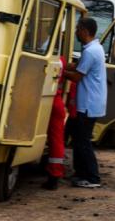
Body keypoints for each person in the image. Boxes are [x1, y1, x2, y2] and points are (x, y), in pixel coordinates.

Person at [63, 17, 107, 188]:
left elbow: (76, 76)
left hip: (88, 104)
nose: (76, 32)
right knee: (78, 138)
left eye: (78, 29)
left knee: (83, 141)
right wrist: (63, 64)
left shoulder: (90, 51)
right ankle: (81, 173)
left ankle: (92, 177)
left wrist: (58, 71)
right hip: (91, 102)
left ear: (85, 31)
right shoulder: (94, 48)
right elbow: (78, 66)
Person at [43, 56, 68, 190]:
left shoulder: (47, 57)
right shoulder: (61, 60)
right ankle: (54, 174)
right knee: (56, 140)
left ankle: (54, 174)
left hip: (50, 101)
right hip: (56, 101)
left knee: (55, 141)